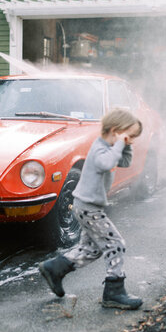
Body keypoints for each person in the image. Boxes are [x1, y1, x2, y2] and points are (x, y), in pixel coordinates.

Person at [39, 108, 144, 310]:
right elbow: (107, 163)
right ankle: (114, 292)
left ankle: (55, 268)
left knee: (92, 249)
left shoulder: (110, 147)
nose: (130, 140)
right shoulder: (100, 149)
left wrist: (125, 145)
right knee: (116, 244)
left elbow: (124, 161)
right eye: (128, 136)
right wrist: (121, 143)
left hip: (87, 206)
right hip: (88, 208)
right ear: (115, 131)